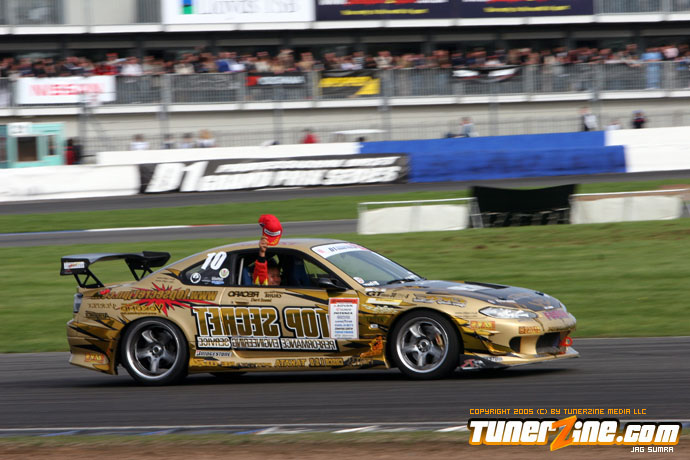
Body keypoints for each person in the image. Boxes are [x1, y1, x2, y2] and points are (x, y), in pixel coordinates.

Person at [252, 214, 283, 286]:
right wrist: (262, 253)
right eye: (272, 276)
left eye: (278, 276)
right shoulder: (262, 283)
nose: (276, 279)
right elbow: (261, 271)